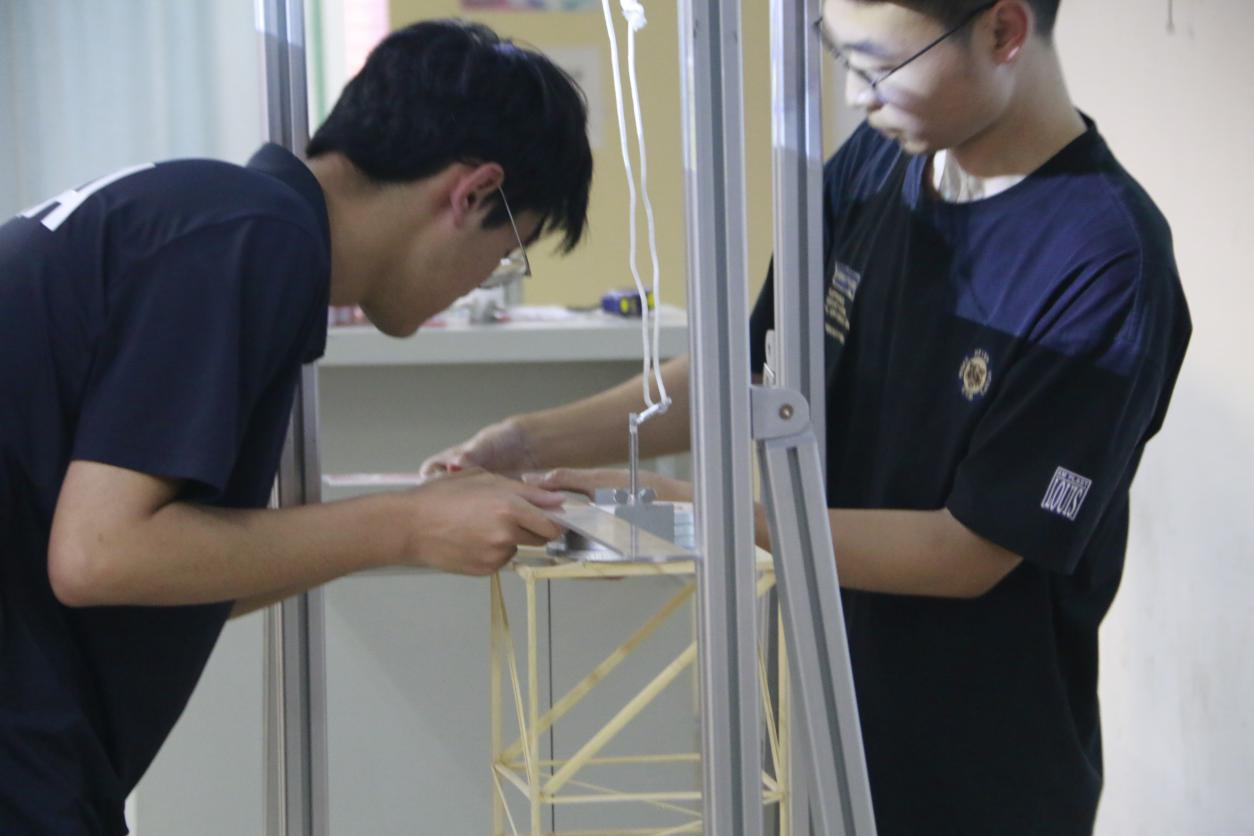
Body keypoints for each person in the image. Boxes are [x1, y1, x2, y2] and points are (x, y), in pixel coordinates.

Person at [420, 1, 1192, 833]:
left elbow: (967, 551)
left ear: (1003, 32)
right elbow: (750, 371)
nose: (860, 96)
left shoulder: (1107, 262)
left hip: (973, 773)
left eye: (881, 66)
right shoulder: (879, 162)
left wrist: (708, 517)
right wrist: (525, 440)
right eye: (842, 59)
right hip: (812, 724)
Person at [0, 19, 592, 834]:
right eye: (508, 252)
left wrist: (403, 525)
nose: (484, 280)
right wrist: (403, 524)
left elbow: (165, 574)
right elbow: (99, 555)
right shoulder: (256, 237)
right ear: (472, 192)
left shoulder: (210, 216)